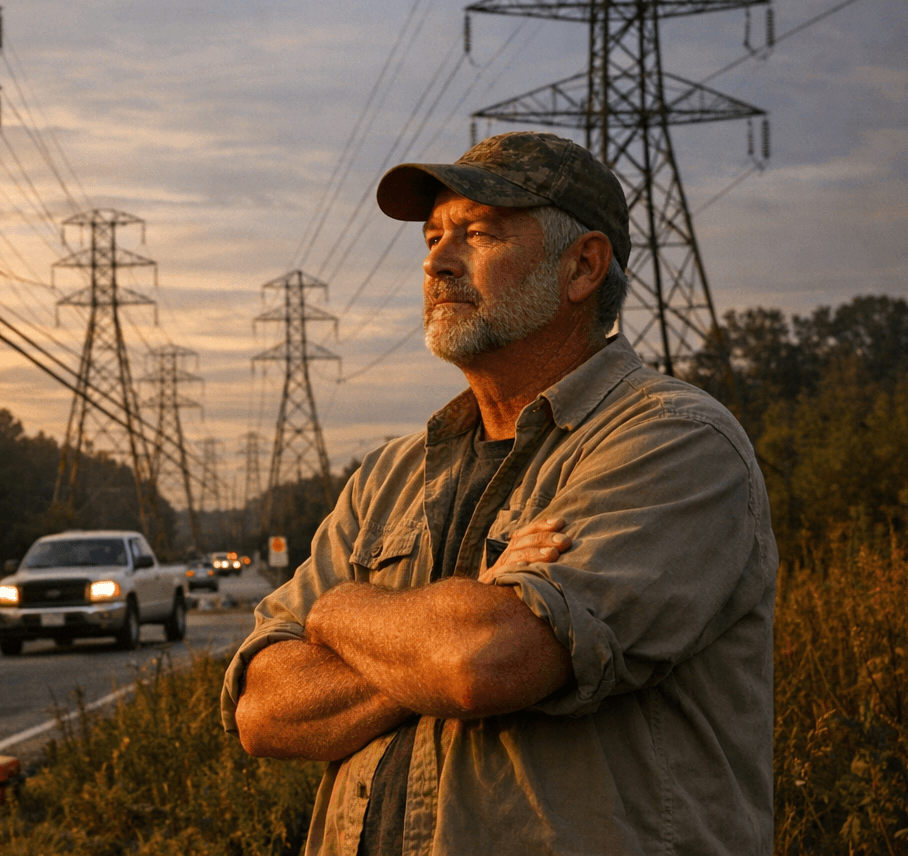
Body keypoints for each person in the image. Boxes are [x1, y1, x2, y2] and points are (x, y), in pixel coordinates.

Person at [224, 131, 776, 855]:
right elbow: (265, 711)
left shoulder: (676, 442)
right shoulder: (389, 476)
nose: (436, 262)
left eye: (477, 234)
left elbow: (481, 661)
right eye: (432, 237)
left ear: (583, 266)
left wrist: (338, 611)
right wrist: (451, 627)